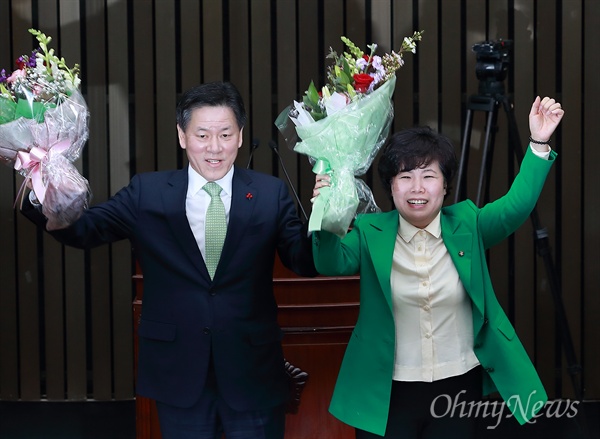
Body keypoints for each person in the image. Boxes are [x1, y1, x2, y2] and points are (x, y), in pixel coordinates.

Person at [22, 81, 317, 439]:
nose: (214, 147)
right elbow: (84, 230)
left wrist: (328, 215)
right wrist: (40, 182)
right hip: (178, 371)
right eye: (202, 134)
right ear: (182, 136)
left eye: (225, 134)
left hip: (251, 370)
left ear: (240, 136)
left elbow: (303, 259)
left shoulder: (270, 193)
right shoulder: (148, 192)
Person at [311, 96, 564, 438]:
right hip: (388, 387)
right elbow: (329, 263)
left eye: (429, 176)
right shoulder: (370, 233)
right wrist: (325, 215)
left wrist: (538, 143)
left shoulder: (468, 224)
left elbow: (514, 207)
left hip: (458, 385)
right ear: (391, 186)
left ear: (445, 185)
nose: (417, 188)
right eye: (405, 176)